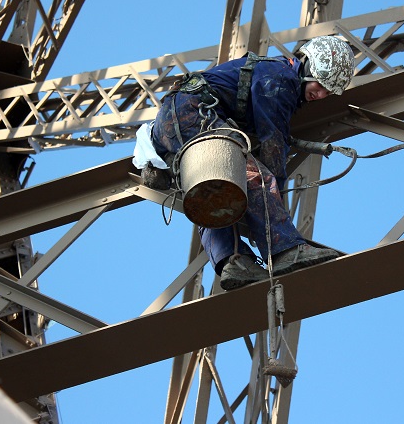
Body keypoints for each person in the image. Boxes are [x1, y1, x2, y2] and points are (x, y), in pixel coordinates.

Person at [144, 35, 355, 290]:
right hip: (193, 112)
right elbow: (272, 142)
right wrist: (275, 194)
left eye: (327, 92)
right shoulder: (280, 77)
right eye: (320, 84)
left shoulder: (274, 74)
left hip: (172, 123)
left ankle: (234, 261)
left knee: (214, 186)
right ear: (308, 66)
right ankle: (285, 251)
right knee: (256, 176)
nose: (320, 94)